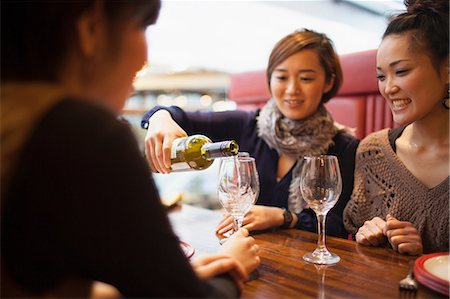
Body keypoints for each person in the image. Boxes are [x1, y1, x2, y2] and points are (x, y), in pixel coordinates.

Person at [1, 1, 260, 298]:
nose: (143, 61)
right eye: (142, 27)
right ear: (90, 29)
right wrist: (230, 267)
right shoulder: (83, 132)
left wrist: (170, 279)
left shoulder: (15, 116)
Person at [142, 29, 359, 239]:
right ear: (270, 80)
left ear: (328, 82)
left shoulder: (343, 146)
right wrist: (160, 118)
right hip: (245, 251)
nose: (292, 89)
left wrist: (285, 217)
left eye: (306, 78)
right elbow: (177, 116)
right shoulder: (247, 125)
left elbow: (338, 225)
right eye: (282, 77)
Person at [343, 0, 449, 255]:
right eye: (381, 76)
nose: (388, 88)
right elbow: (356, 248)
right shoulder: (373, 152)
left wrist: (424, 256)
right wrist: (369, 234)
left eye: (401, 71)